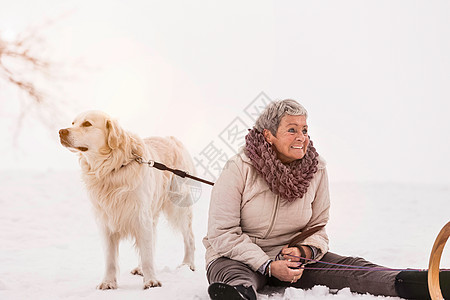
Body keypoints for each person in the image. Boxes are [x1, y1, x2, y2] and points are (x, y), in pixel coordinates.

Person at [202, 99, 449, 300]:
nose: (301, 137)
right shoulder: (239, 168)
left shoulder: (316, 169)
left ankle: (426, 283)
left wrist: (303, 251)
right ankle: (238, 295)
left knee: (355, 269)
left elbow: (318, 227)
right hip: (237, 258)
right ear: (268, 136)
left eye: (305, 129)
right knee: (236, 277)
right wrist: (266, 265)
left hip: (291, 261)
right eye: (291, 129)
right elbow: (223, 234)